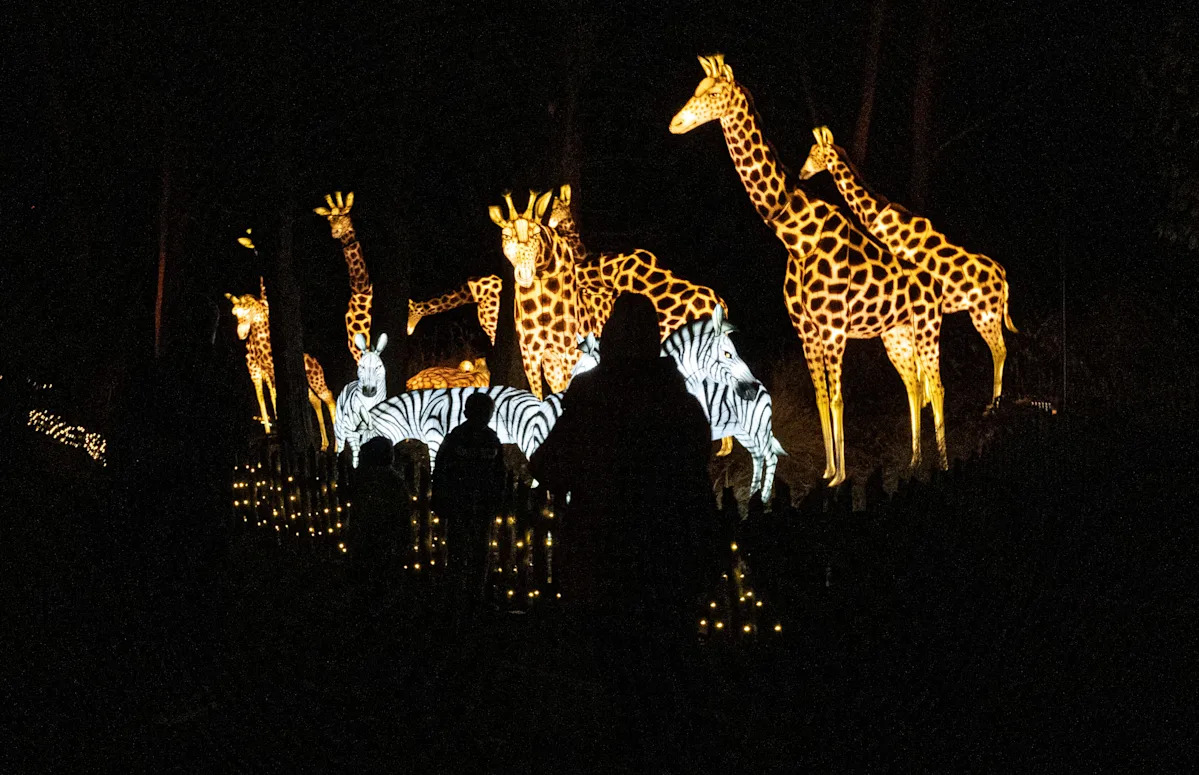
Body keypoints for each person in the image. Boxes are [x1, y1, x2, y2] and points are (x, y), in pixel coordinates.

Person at [432, 393, 507, 624]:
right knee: (472, 554)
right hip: (469, 506)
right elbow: (500, 474)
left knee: (466, 553)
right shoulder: (487, 439)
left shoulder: (460, 438)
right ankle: (469, 599)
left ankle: (463, 600)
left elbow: (440, 470)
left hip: (469, 506)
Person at [350, 436, 410, 592]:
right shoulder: (394, 481)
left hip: (365, 535)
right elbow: (403, 511)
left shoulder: (361, 477)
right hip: (386, 535)